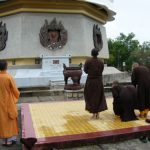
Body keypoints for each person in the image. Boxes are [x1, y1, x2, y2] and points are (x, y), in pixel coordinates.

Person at [0, 60, 20, 146]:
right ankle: (9, 141)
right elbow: (15, 91)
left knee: (2, 120)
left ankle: (4, 140)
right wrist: (15, 97)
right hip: (8, 101)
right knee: (10, 120)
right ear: (6, 67)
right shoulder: (9, 77)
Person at [84, 48, 107, 119]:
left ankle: (93, 114)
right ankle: (98, 114)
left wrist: (91, 73)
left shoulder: (88, 61)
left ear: (91, 53)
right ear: (97, 54)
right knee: (99, 96)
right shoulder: (101, 62)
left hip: (90, 81)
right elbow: (101, 70)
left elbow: (85, 71)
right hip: (98, 81)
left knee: (90, 97)